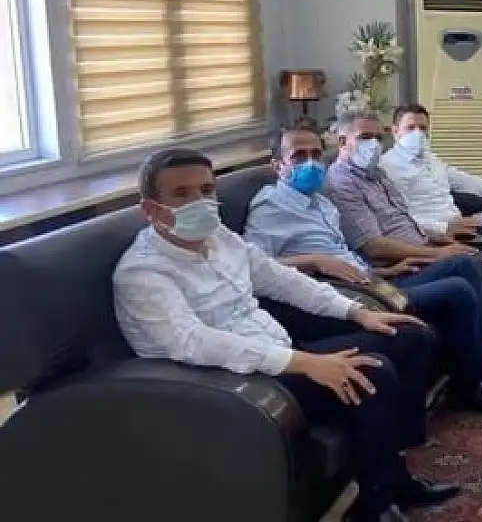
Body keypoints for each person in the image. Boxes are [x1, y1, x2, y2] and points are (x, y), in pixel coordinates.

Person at [113, 148, 461, 522]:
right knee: (373, 372)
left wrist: (358, 312)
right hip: (231, 382)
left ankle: (396, 472)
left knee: (407, 335)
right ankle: (375, 506)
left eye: (206, 190)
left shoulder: (221, 238)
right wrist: (306, 363)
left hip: (280, 351)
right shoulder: (142, 273)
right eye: (182, 194)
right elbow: (192, 342)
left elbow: (283, 281)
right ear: (150, 210)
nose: (199, 202)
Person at [244, 125, 482, 410]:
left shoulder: (320, 202)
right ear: (278, 166)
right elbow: (254, 268)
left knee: (465, 264)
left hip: (372, 278)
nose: (311, 163)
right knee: (457, 290)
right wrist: (313, 261)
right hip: (345, 294)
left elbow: (346, 254)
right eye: (299, 156)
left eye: (316, 154)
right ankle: (472, 389)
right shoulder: (270, 208)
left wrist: (386, 270)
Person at [326, 112, 482, 337]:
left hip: (442, 227)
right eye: (411, 128)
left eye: (423, 128)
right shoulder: (383, 167)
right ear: (396, 131)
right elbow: (382, 236)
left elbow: (462, 183)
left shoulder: (399, 168)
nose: (418, 134)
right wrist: (442, 232)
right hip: (432, 233)